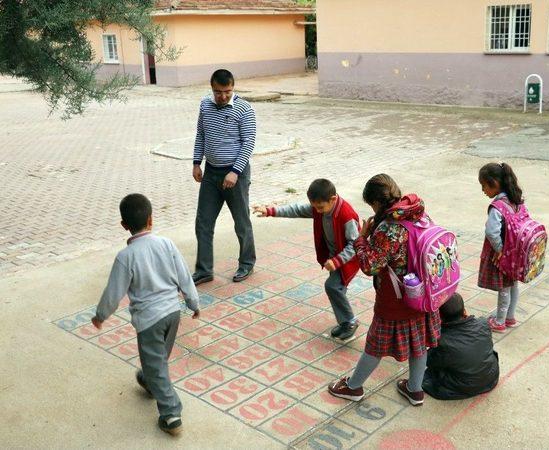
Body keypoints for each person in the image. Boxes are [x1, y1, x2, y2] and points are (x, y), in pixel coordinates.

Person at [91, 194, 200, 436]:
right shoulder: (167, 244)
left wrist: (100, 315)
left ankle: (171, 414)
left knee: (156, 363)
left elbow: (113, 292)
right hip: (173, 314)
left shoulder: (125, 257)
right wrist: (193, 302)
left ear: (124, 225)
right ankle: (151, 381)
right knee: (157, 360)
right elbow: (184, 276)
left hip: (149, 320)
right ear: (152, 219)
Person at [328, 174, 440, 406]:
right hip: (425, 292)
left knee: (375, 344)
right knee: (420, 344)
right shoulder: (418, 213)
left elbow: (370, 266)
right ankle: (415, 390)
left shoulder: (389, 228)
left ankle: (353, 387)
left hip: (396, 298)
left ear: (376, 203)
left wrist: (362, 238)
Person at [253, 179, 360, 340]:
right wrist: (270, 211)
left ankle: (350, 322)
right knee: (337, 289)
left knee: (333, 287)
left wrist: (337, 261)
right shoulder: (320, 208)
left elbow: (355, 244)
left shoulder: (346, 215)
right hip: (333, 259)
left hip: (347, 260)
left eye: (320, 207)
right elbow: (296, 210)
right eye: (315, 207)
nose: (317, 211)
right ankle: (345, 322)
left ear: (333, 199)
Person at [192, 69, 257, 285]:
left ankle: (247, 263)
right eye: (218, 92)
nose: (222, 96)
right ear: (212, 88)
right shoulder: (205, 105)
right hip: (211, 173)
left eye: (227, 91)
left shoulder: (244, 109)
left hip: (235, 175)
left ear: (233, 87)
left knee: (241, 221)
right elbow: (201, 134)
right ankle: (203, 270)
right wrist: (196, 163)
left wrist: (235, 171)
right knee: (203, 222)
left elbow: (248, 143)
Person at [422, 293, 499, 400]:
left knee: (429, 375)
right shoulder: (483, 324)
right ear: (464, 311)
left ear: (439, 317)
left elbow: (429, 361)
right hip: (491, 377)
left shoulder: (442, 341)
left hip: (461, 386)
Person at [477, 162, 524, 333]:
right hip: (516, 251)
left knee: (504, 287)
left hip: (503, 253)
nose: (483, 190)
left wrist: (500, 250)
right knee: (513, 284)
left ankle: (500, 321)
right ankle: (510, 317)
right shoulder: (515, 199)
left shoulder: (497, 207)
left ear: (495, 184)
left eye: (484, 186)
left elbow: (491, 232)